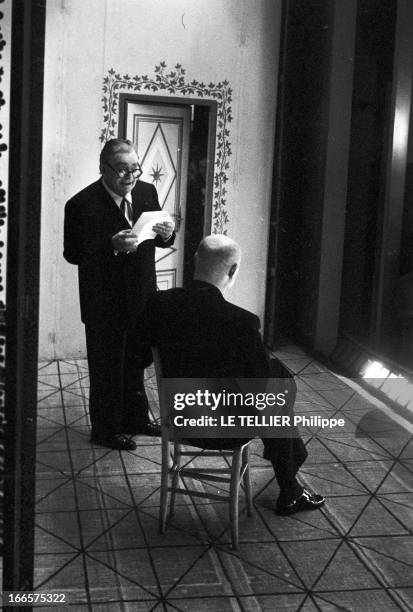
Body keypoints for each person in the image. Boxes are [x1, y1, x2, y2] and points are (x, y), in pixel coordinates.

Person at [143, 234, 325, 516]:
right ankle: (289, 483)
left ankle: (289, 472)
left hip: (177, 418)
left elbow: (140, 354)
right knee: (275, 390)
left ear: (194, 263)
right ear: (232, 271)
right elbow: (261, 388)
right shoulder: (242, 322)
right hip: (223, 430)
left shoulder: (159, 304)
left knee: (274, 383)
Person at [63, 138, 175, 451]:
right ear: (104, 169)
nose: (130, 176)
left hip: (141, 298)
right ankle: (105, 430)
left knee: (136, 362)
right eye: (122, 169)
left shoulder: (146, 192)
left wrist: (168, 235)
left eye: (135, 169)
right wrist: (109, 246)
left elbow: (157, 234)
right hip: (103, 303)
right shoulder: (80, 204)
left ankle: (136, 419)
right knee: (107, 368)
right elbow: (72, 254)